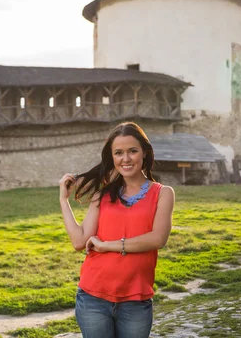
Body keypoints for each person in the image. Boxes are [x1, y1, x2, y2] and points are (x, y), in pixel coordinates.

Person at [58, 122, 175, 338]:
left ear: (145, 152)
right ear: (112, 158)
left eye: (132, 151)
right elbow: (79, 242)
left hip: (136, 301)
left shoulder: (163, 193)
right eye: (118, 153)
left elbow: (157, 238)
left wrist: (106, 245)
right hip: (93, 298)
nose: (126, 158)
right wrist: (63, 200)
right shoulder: (102, 195)